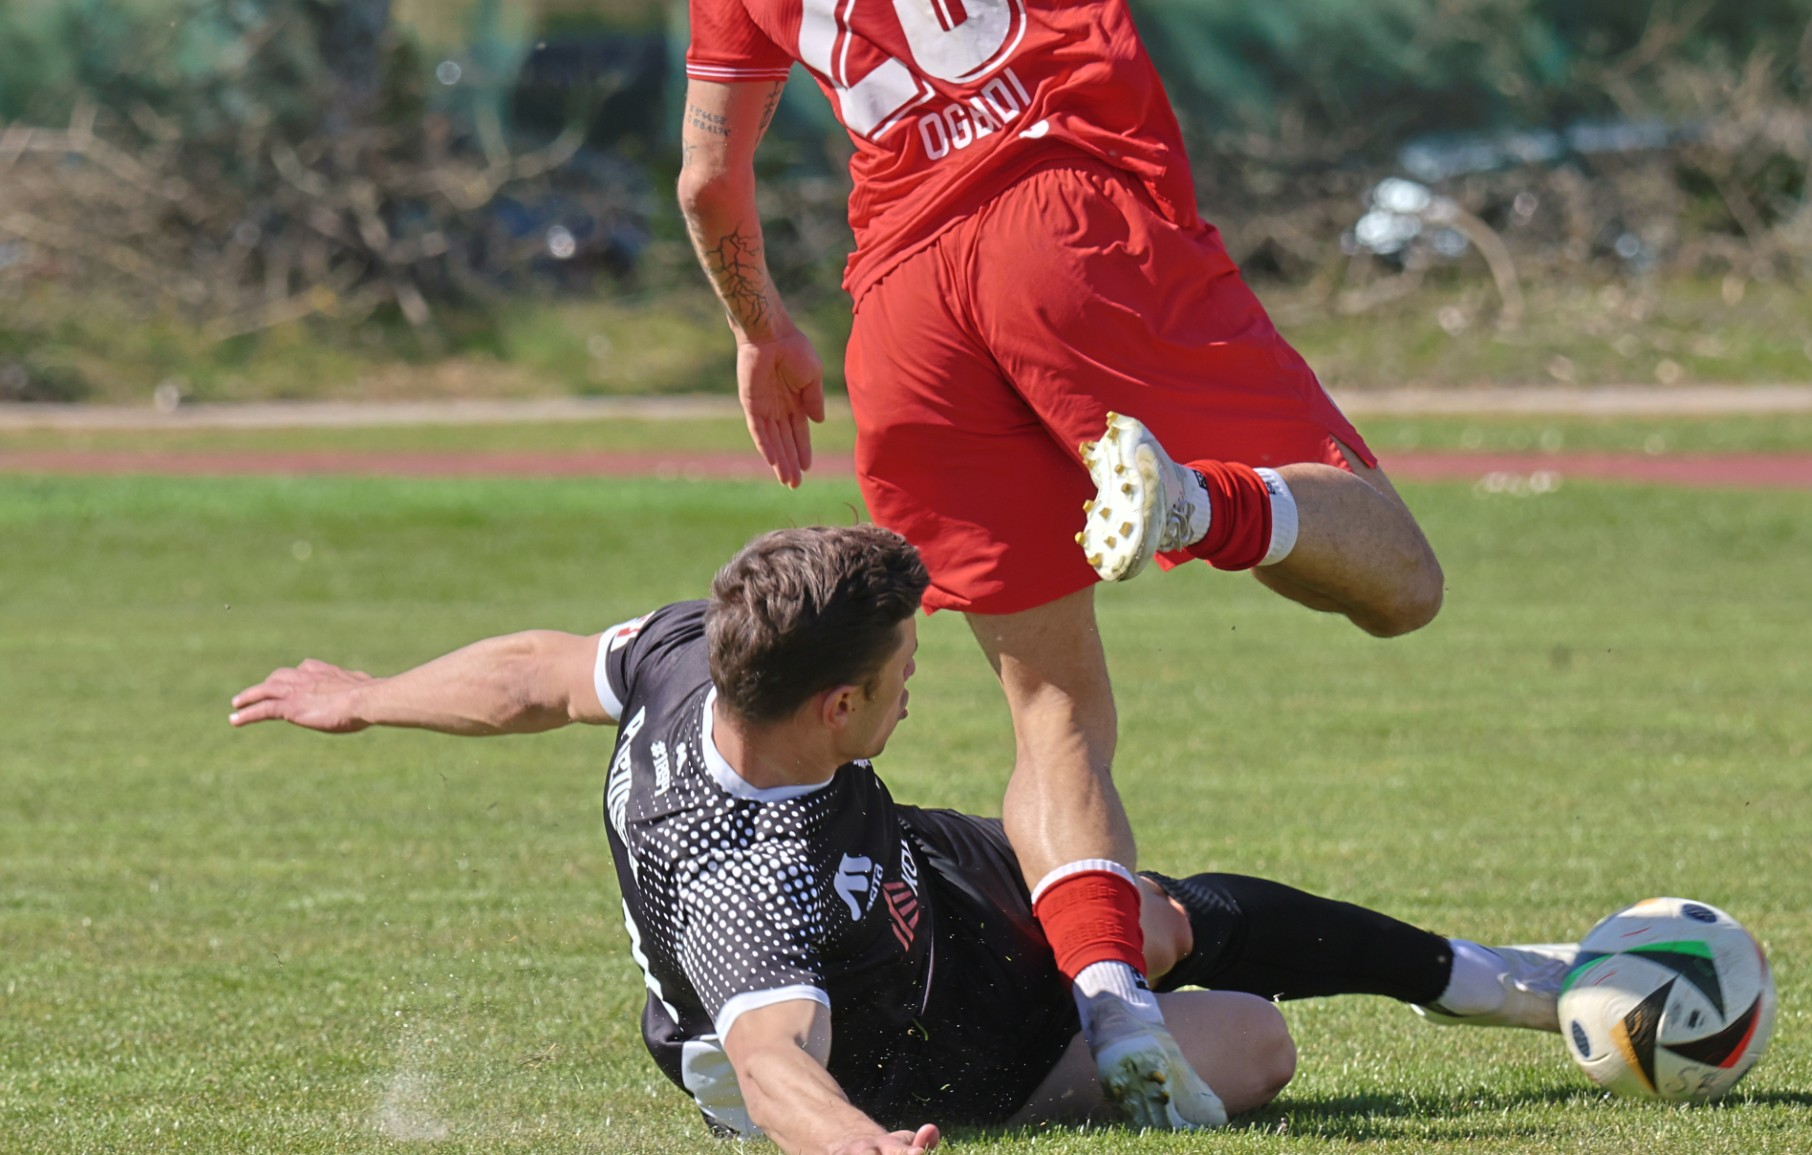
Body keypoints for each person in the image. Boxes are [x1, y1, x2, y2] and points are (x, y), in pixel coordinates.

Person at [676, 0, 1449, 1125]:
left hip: (902, 316)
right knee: (1399, 585)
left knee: (1051, 705)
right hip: (1067, 222)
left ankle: (1120, 1008)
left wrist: (760, 330)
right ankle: (1194, 499)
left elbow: (707, 180)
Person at [230, 526, 1569, 1154]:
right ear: (835, 703)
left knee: (1141, 913)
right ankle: (1056, 1073)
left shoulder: (702, 652)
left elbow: (537, 669)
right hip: (916, 1045)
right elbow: (768, 1057)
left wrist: (367, 694)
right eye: (904, 665)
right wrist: (860, 1148)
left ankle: (1499, 977)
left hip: (909, 871)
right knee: (1251, 1036)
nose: (917, 679)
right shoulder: (748, 882)